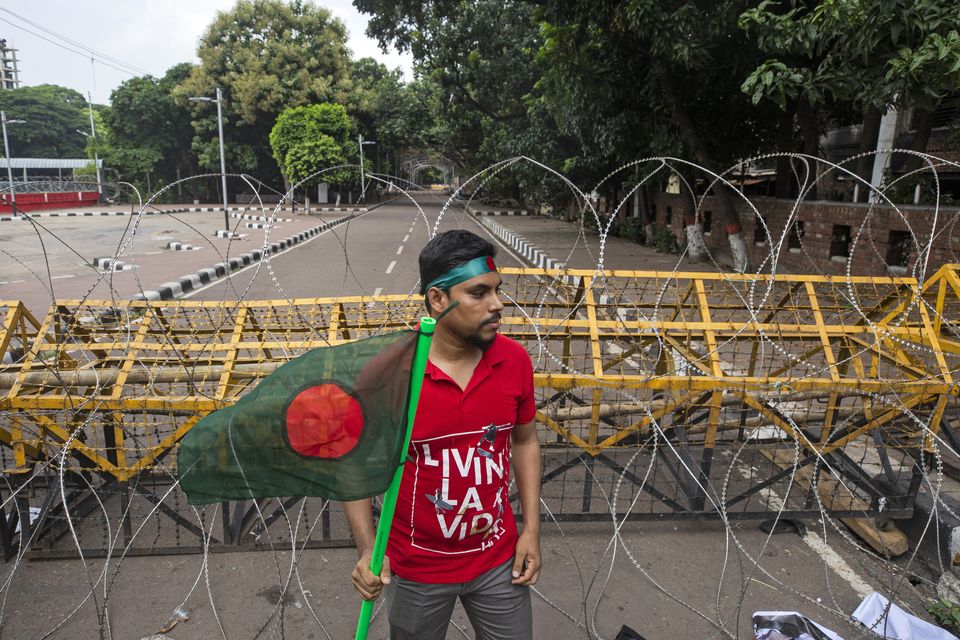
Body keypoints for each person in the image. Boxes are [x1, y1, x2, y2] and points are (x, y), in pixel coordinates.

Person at [344, 229, 542, 639]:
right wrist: (369, 550)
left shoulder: (514, 361)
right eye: (478, 293)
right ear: (438, 299)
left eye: (497, 291)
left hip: (498, 561)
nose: (497, 304)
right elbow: (356, 464)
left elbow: (524, 440)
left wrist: (531, 530)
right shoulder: (390, 374)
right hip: (417, 569)